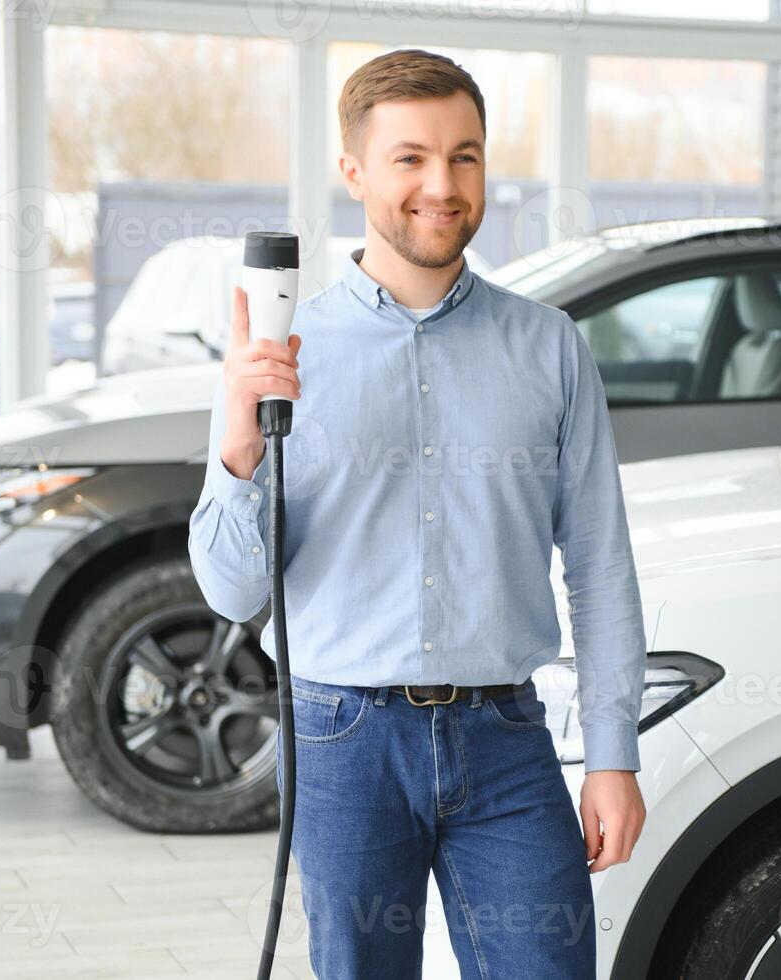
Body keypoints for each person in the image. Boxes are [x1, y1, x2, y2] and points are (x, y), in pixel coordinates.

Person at [188, 48, 648, 979]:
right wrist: (241, 444)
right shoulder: (279, 354)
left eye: (465, 156)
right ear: (354, 172)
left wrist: (613, 753)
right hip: (339, 743)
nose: (442, 185)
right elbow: (232, 589)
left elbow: (599, 561)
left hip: (507, 740)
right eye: (410, 158)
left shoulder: (548, 346)